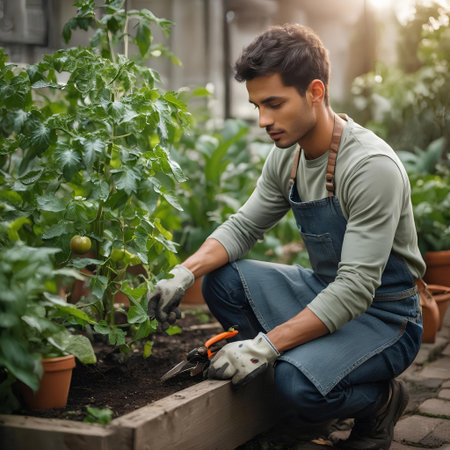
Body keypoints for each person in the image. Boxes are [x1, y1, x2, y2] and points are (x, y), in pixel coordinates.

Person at [147, 24, 425, 449]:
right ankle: (297, 371)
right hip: (325, 291)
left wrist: (264, 346)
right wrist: (183, 273)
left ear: (315, 91)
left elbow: (355, 289)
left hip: (385, 316)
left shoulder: (370, 167)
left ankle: (380, 400)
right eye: (257, 105)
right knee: (220, 280)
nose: (263, 121)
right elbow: (243, 226)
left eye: (274, 104)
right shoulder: (288, 157)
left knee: (297, 383)